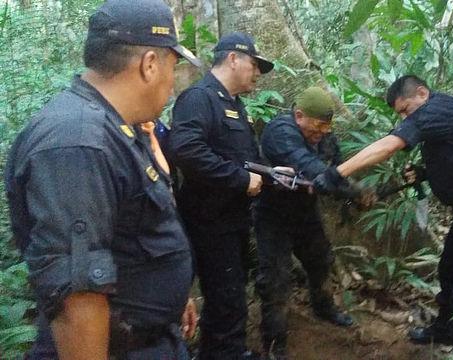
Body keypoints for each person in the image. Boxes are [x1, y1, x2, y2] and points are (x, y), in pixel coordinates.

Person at [4, 0, 201, 359]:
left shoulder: (119, 129)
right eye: (174, 67)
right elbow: (78, 298)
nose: (172, 85)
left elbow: (136, 233)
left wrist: (170, 301)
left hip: (151, 339)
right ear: (150, 64)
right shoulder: (78, 143)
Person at [314, 75, 453, 357]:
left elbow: (389, 145)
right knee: (449, 272)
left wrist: (337, 172)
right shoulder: (436, 116)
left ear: (422, 93)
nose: (403, 118)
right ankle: (444, 329)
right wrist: (424, 172)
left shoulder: (438, 109)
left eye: (405, 110)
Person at [165, 32, 273, 359]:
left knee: (230, 297)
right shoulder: (199, 98)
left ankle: (224, 351)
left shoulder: (233, 103)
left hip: (233, 220)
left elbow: (241, 154)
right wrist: (241, 179)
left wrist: (271, 173)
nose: (258, 73)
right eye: (254, 65)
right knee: (226, 299)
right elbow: (186, 150)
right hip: (209, 224)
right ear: (233, 59)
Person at [255, 87, 354, 359]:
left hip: (305, 213)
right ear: (299, 115)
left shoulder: (325, 135)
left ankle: (323, 308)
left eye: (327, 127)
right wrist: (351, 191)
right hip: (273, 215)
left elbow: (338, 167)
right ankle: (275, 343)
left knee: (321, 261)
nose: (322, 132)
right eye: (318, 126)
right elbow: (310, 166)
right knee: (275, 280)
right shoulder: (281, 131)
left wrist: (344, 186)